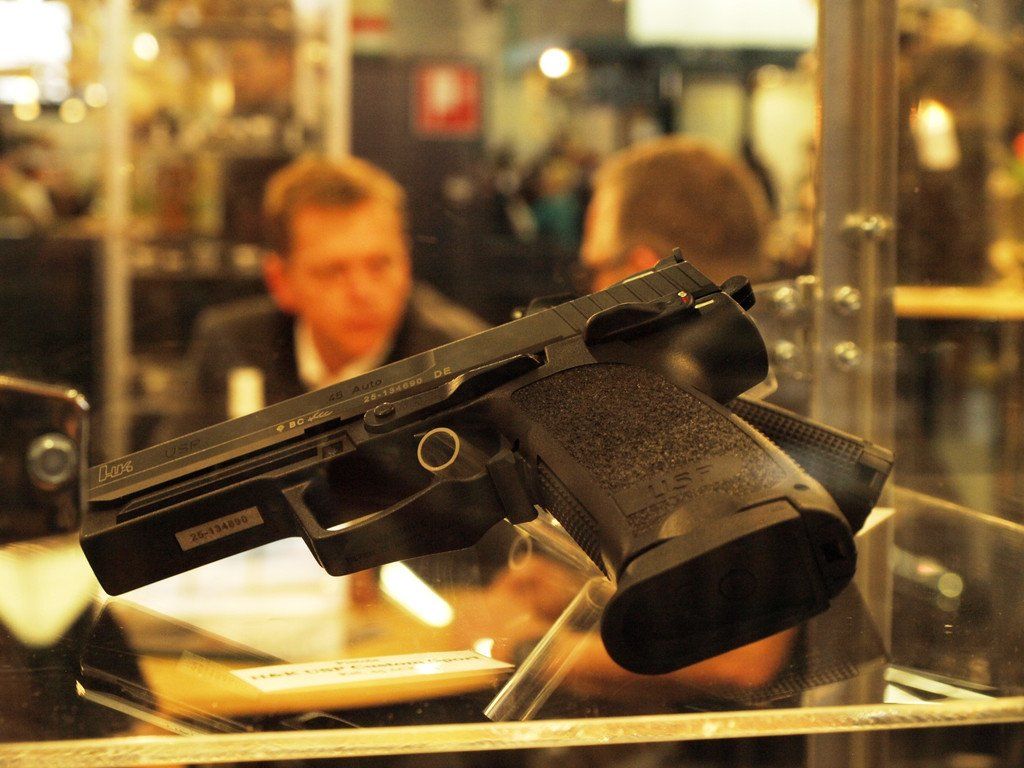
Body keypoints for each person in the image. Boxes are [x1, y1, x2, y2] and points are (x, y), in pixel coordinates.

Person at [470, 136, 799, 705]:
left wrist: (524, 647)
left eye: (593, 269)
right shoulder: (766, 363)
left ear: (639, 272)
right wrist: (579, 591)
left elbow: (743, 655)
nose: (585, 296)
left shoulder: (744, 400)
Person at [163, 154, 486, 438]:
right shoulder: (233, 343)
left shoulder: (461, 359)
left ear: (407, 262)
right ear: (281, 281)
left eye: (380, 264)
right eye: (332, 271)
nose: (362, 292)